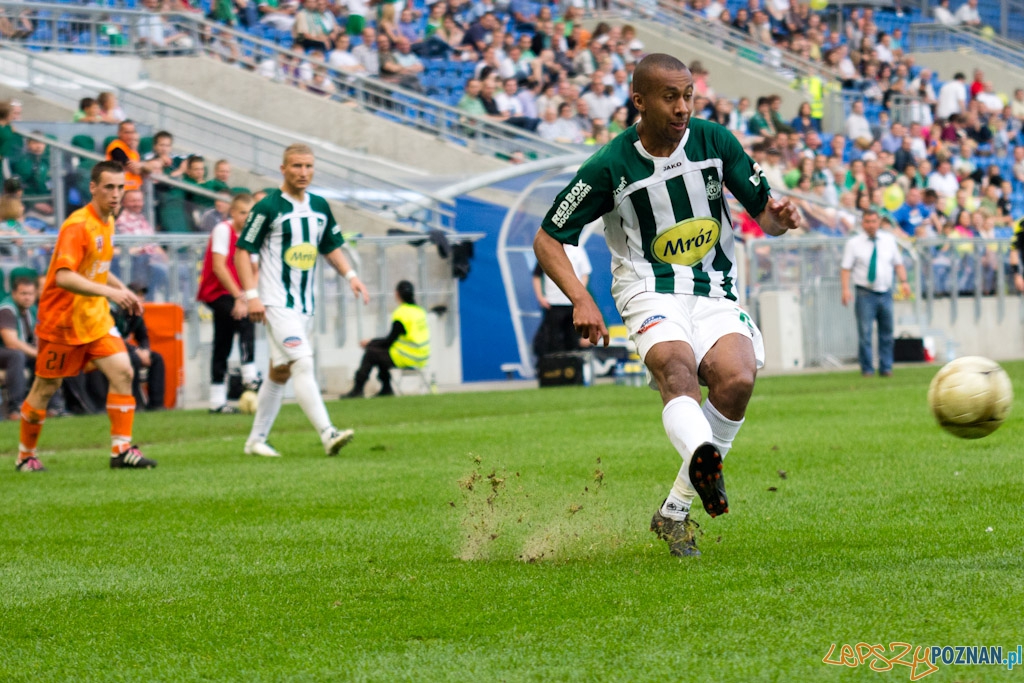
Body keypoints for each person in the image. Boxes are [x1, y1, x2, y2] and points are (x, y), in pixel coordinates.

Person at [533, 54, 801, 558]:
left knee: (738, 378)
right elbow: (548, 239)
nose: (682, 108)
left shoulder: (715, 141)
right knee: (676, 369)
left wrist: (782, 215)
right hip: (647, 288)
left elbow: (766, 216)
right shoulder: (608, 166)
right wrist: (582, 297)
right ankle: (704, 456)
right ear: (640, 101)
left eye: (688, 96)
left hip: (714, 287)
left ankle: (674, 511)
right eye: (670, 97)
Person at [15, 160, 157, 472]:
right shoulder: (78, 225)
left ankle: (121, 450)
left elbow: (96, 270)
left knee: (123, 371)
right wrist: (112, 294)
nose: (116, 194)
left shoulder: (108, 221)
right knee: (44, 389)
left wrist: (122, 289)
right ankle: (25, 456)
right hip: (62, 322)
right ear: (93, 188)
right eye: (109, 187)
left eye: (121, 187)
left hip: (95, 319)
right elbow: (64, 277)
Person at [235, 144, 369, 457]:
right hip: (276, 302)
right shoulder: (268, 207)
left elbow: (330, 245)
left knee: (279, 372)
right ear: (283, 169)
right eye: (296, 166)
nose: (303, 172)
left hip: (305, 305)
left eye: (308, 166)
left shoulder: (319, 206)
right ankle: (328, 433)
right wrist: (253, 296)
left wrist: (351, 276)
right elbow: (244, 251)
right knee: (303, 362)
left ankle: (255, 441)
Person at [198, 193, 261, 413]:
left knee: (223, 341)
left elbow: (255, 269)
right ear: (233, 212)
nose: (247, 217)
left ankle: (217, 401)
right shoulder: (223, 230)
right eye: (243, 212)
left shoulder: (251, 234)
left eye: (251, 213)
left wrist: (249, 295)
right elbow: (218, 266)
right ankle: (250, 374)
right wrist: (240, 298)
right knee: (244, 319)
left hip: (238, 292)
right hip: (217, 291)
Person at [840, 210, 912, 378]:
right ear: (862, 223)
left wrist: (904, 282)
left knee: (886, 332)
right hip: (865, 293)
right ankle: (867, 369)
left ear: (878, 222)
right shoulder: (854, 243)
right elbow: (846, 268)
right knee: (865, 333)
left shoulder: (889, 240)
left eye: (874, 221)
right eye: (867, 221)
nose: (871, 225)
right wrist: (845, 289)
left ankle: (886, 367)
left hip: (885, 291)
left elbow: (898, 264)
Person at [343, 280, 430, 398]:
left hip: (408, 356)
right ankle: (386, 388)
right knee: (379, 352)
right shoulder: (420, 311)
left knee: (372, 352)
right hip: (423, 356)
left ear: (397, 294)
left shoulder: (402, 313)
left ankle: (358, 389)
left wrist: (370, 342)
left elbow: (389, 341)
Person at [110, 282, 166, 411]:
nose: (140, 299)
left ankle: (156, 404)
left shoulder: (137, 314)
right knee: (133, 359)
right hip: (113, 348)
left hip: (126, 349)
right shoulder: (114, 311)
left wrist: (145, 350)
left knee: (157, 358)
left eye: (142, 296)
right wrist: (136, 350)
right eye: (137, 295)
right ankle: (136, 403)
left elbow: (143, 336)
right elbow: (113, 337)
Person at [532, 243, 591, 358]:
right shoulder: (548, 250)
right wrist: (540, 297)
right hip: (553, 303)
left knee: (574, 337)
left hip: (573, 303)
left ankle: (572, 367)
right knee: (552, 338)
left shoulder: (578, 250)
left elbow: (585, 273)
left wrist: (579, 293)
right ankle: (555, 367)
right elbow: (537, 275)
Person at [0, 273, 39, 421]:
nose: (27, 297)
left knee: (47, 359)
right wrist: (37, 354)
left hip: (13, 353)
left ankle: (52, 406)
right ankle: (15, 407)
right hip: (5, 351)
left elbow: (37, 336)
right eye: (23, 293)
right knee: (17, 355)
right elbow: (11, 342)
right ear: (14, 293)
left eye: (30, 294)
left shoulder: (31, 310)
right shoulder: (7, 309)